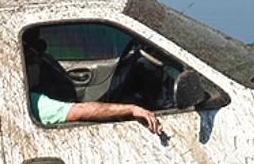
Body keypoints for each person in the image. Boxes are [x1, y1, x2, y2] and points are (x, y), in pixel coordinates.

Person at [24, 29, 165, 136]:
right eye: (32, 60)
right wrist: (131, 109)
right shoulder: (34, 103)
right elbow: (79, 112)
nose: (39, 64)